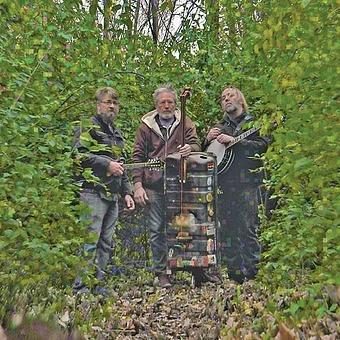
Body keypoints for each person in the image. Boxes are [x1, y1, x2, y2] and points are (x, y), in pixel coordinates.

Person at [132, 84, 200, 288]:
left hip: (180, 183)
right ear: (156, 105)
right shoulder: (146, 126)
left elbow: (197, 144)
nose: (167, 105)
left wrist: (191, 148)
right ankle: (162, 272)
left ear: (175, 104)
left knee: (185, 226)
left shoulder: (185, 122)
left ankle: (190, 269)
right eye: (163, 102)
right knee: (156, 230)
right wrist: (137, 185)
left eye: (170, 101)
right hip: (153, 185)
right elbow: (137, 156)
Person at [203, 85, 269, 284]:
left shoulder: (253, 124)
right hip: (225, 183)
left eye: (230, 95)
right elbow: (208, 156)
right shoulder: (219, 127)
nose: (226, 99)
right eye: (223, 97)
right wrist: (206, 140)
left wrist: (237, 142)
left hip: (248, 182)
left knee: (248, 227)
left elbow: (263, 146)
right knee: (228, 228)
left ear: (240, 100)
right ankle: (234, 273)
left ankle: (253, 271)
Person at [73, 87, 135, 294]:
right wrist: (106, 164)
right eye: (108, 102)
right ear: (98, 104)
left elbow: (122, 166)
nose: (112, 106)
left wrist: (127, 192)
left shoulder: (116, 133)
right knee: (89, 241)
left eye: (115, 103)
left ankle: (96, 284)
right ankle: (81, 287)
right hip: (92, 192)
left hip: (113, 194)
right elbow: (78, 156)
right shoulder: (87, 127)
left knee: (105, 243)